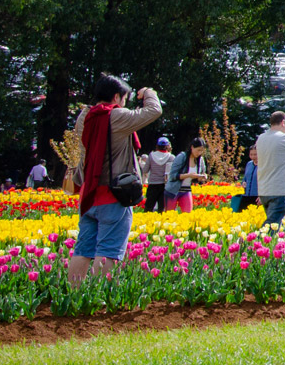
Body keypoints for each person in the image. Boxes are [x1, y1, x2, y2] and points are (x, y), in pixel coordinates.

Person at [69, 76, 163, 287]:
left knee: (83, 249)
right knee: (108, 251)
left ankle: (74, 297)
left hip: (88, 196)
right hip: (114, 195)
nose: (124, 104)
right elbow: (154, 111)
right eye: (124, 99)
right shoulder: (116, 116)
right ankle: (99, 295)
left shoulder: (84, 117)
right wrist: (148, 93)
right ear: (115, 97)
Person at [164, 137, 208, 213]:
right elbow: (173, 176)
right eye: (198, 150)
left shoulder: (200, 160)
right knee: (169, 216)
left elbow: (197, 178)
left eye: (201, 151)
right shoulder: (182, 157)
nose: (199, 153)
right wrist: (188, 175)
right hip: (173, 190)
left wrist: (202, 177)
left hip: (186, 190)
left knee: (187, 215)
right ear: (192, 147)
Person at [143, 138, 173, 213]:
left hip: (153, 184)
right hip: (164, 185)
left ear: (157, 146)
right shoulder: (171, 157)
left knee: (149, 207)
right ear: (167, 146)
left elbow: (145, 170)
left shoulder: (151, 155)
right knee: (161, 209)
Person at [232, 145, 259, 212]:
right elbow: (245, 178)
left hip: (257, 196)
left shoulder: (263, 165)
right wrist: (243, 183)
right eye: (251, 154)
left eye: (255, 154)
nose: (253, 157)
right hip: (246, 195)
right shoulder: (249, 164)